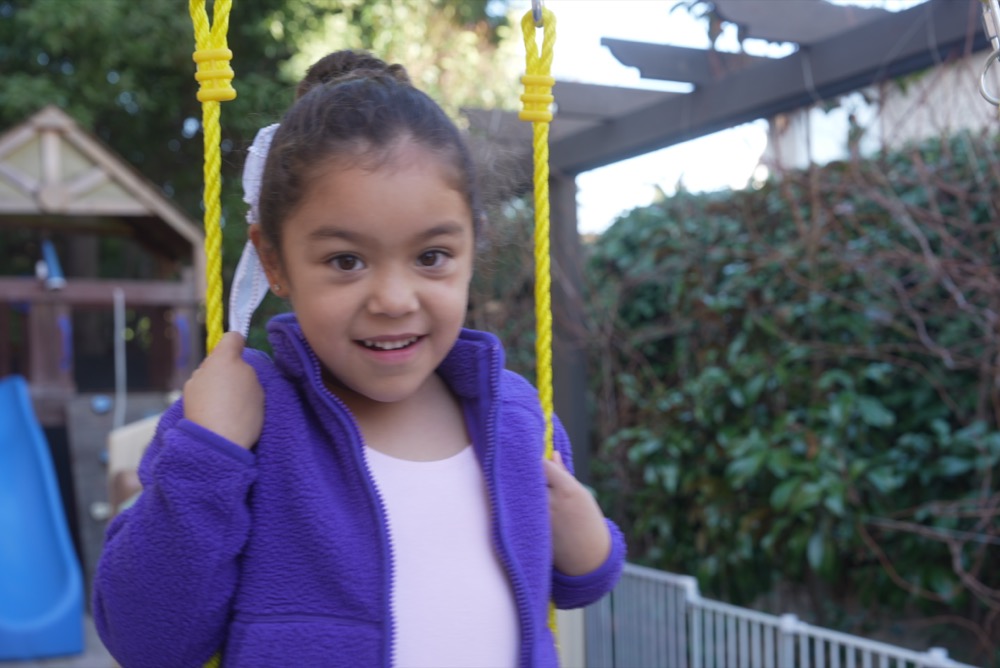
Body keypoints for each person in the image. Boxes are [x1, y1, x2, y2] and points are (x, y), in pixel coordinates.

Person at [93, 50, 625, 668]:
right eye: (346, 261)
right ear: (274, 262)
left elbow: (572, 582)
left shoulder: (515, 416)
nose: (394, 300)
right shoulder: (245, 422)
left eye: (431, 257)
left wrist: (593, 546)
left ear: (473, 245)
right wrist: (209, 453)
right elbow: (145, 640)